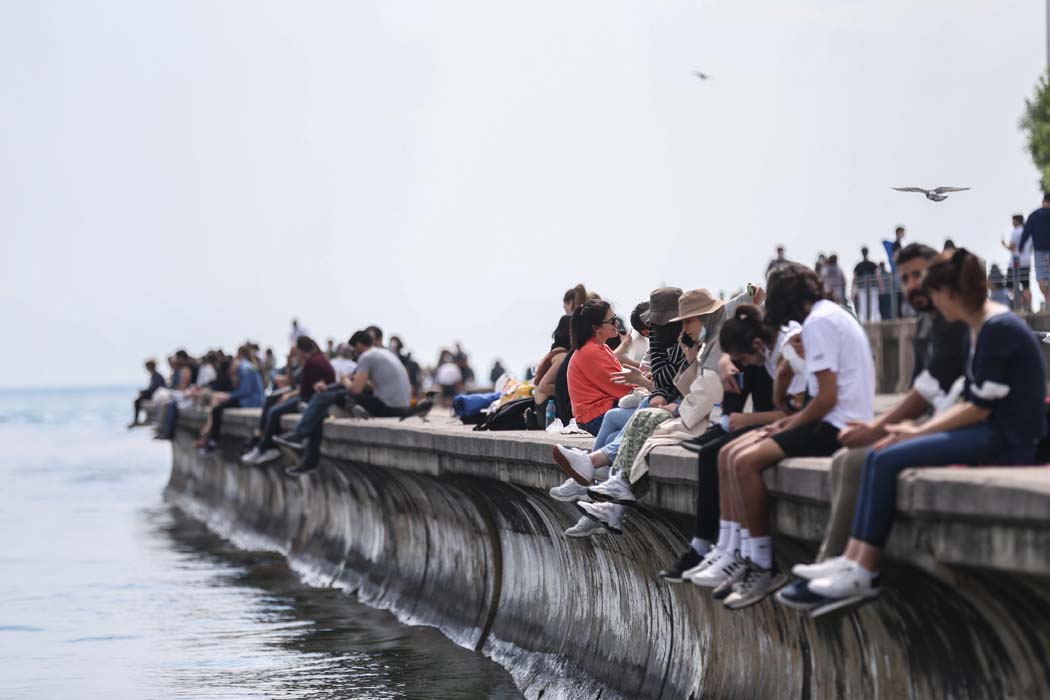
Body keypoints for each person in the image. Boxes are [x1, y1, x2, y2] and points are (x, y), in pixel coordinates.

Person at [800, 248, 1046, 615]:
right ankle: (851, 559)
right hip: (994, 429)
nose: (934, 304)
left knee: (884, 459)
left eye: (935, 295)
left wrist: (917, 434)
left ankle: (863, 568)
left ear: (949, 294)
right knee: (882, 455)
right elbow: (974, 402)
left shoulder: (998, 329)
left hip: (1007, 438)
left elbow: (978, 407)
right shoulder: (986, 324)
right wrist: (917, 429)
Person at [775, 243, 968, 612]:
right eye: (906, 277)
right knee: (848, 460)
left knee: (868, 458)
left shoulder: (953, 319)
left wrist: (880, 429)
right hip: (941, 421)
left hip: (962, 426)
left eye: (919, 275)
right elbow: (923, 391)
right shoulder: (930, 321)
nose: (912, 284)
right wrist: (888, 427)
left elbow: (930, 390)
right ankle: (841, 561)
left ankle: (855, 567)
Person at [708, 263, 875, 610]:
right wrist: (791, 418)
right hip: (833, 417)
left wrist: (791, 422)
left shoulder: (818, 324)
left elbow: (826, 399)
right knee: (732, 453)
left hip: (838, 424)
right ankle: (742, 555)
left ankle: (762, 565)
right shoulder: (824, 318)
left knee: (745, 462)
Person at [574, 287, 754, 536]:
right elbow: (685, 383)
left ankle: (605, 477)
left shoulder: (715, 343)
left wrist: (676, 403)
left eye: (688, 319)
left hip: (707, 416)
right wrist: (688, 365)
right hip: (697, 411)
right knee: (640, 419)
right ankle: (609, 488)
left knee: (649, 425)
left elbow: (701, 390)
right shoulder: (702, 343)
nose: (685, 325)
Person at [658, 304, 805, 582]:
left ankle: (734, 549)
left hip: (780, 421)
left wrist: (748, 420)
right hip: (766, 417)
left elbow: (798, 412)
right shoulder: (761, 344)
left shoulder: (789, 349)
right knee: (713, 453)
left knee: (725, 455)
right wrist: (726, 362)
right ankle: (711, 546)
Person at [277, 330, 430, 475]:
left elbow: (355, 390)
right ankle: (306, 447)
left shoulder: (366, 357)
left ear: (358, 345)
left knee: (321, 399)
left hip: (386, 407)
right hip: (401, 406)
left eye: (354, 350)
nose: (354, 355)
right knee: (323, 406)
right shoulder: (385, 354)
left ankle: (301, 438)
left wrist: (344, 381)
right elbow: (369, 384)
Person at [242, 336, 334, 465]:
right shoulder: (319, 359)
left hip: (310, 400)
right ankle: (262, 443)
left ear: (301, 351)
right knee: (272, 403)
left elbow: (305, 391)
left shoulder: (312, 363)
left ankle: (265, 447)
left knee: (274, 412)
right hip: (312, 398)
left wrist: (289, 395)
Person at [563, 300, 634, 437]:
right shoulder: (591, 351)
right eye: (612, 320)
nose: (617, 323)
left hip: (598, 414)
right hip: (595, 416)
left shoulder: (599, 348)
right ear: (596, 327)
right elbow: (620, 385)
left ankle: (594, 458)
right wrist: (647, 383)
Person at [199, 346, 265, 455]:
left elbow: (245, 391)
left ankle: (213, 441)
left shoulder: (244, 369)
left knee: (218, 409)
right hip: (250, 399)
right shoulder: (245, 367)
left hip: (251, 401)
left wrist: (228, 396)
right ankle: (210, 436)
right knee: (218, 406)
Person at [1019, 193, 1050, 306]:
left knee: (1041, 275)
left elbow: (1026, 232)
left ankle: (1047, 299)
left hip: (1040, 251)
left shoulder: (1034, 215)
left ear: (1043, 201)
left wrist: (1021, 246)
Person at [1004, 213, 1032, 311]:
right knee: (1026, 286)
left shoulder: (1015, 232)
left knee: (1010, 286)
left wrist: (1004, 244)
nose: (1012, 223)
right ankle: (1029, 306)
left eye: (1013, 220)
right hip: (1026, 262)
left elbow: (1012, 248)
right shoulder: (1028, 231)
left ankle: (1018, 303)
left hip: (1015, 263)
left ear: (1017, 221)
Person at [128, 359, 166, 428]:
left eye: (147, 367)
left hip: (158, 396)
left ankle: (136, 420)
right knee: (138, 399)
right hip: (156, 394)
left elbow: (155, 390)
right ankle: (140, 420)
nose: (146, 369)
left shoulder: (157, 376)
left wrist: (144, 392)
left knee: (137, 401)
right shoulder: (154, 376)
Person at [853, 246, 880, 322]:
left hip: (862, 289)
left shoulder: (858, 266)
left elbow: (854, 279)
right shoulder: (873, 264)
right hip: (873, 288)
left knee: (863, 306)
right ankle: (876, 322)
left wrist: (852, 290)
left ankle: (865, 323)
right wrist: (881, 287)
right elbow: (878, 276)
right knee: (875, 306)